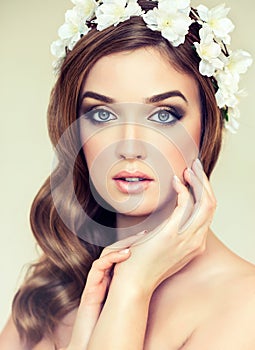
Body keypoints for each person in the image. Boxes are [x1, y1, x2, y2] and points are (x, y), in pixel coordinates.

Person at [0, 0, 254, 349]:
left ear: (207, 127)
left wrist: (131, 287)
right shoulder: (50, 290)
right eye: (102, 115)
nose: (130, 146)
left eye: (164, 115)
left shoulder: (244, 305)